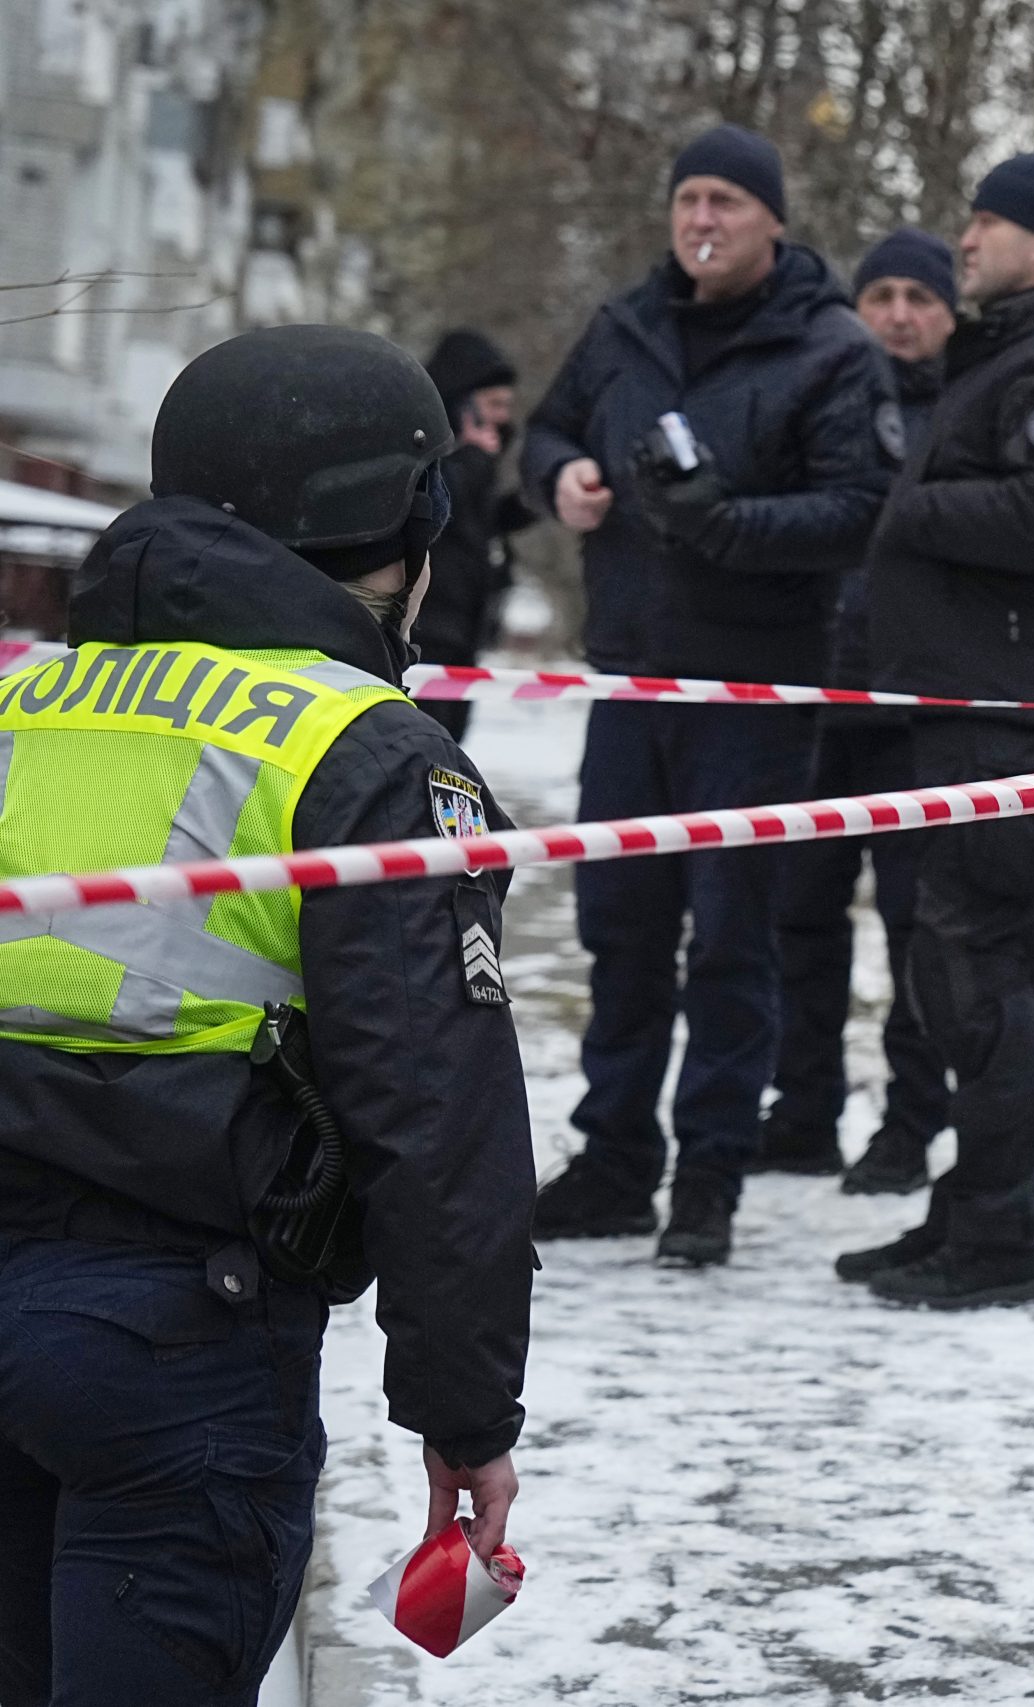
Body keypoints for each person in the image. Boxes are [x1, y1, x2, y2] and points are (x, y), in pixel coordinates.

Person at [0, 325, 533, 1704]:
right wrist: (464, 1411)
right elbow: (438, 1110)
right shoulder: (363, 745)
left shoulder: (20, 698)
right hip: (173, 1348)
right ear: (397, 523)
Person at [521, 123, 898, 1266]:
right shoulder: (623, 326)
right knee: (620, 932)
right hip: (630, 680)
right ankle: (615, 1161)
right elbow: (544, 428)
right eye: (688, 199)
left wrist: (727, 527)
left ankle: (710, 1180)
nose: (702, 221)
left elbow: (857, 510)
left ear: (772, 220)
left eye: (726, 202)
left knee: (733, 940)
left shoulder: (831, 349)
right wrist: (563, 479)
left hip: (753, 693)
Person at [835, 153, 1034, 1310]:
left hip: (1018, 715)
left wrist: (909, 508)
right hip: (984, 705)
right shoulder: (1024, 349)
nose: (962, 241)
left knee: (983, 972)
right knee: (969, 965)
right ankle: (978, 1211)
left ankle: (1006, 1242)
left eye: (986, 223)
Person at [755, 229, 960, 1189]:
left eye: (921, 297)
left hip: (918, 713)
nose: (899, 315)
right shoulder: (822, 395)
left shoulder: (967, 412)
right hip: (810, 700)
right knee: (797, 917)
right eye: (880, 295)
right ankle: (801, 1110)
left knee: (917, 929)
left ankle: (911, 1125)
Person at [415, 328, 537, 742]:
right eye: (493, 404)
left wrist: (530, 502)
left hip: (464, 632)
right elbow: (436, 510)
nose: (503, 416)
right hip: (425, 633)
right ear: (461, 403)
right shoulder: (427, 455)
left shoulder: (476, 462)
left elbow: (476, 526)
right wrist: (474, 460)